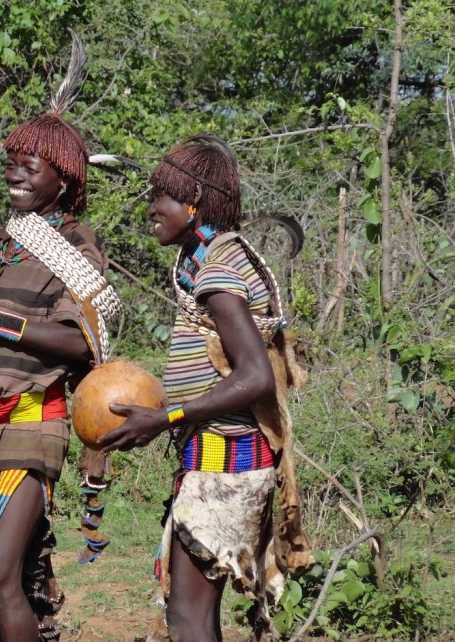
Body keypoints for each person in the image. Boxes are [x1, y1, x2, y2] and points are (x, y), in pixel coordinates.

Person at [0, 34, 121, 642]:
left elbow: (82, 344)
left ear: (61, 180)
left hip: (32, 425)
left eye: (29, 167)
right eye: (11, 162)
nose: (14, 173)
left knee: (0, 580)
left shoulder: (78, 249)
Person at [99, 135, 311, 642]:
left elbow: (254, 376)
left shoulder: (217, 270)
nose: (151, 209)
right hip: (222, 456)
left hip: (227, 461)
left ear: (192, 202)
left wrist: (167, 418)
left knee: (188, 618)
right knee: (192, 611)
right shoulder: (213, 260)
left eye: (161, 197)